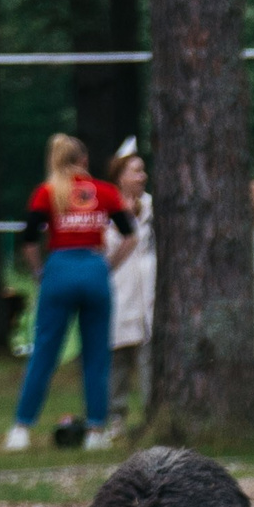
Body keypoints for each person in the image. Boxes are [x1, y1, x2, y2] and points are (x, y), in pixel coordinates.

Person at [4, 135, 137, 452]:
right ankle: (95, 431)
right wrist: (109, 265)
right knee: (96, 356)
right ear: (84, 160)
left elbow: (28, 239)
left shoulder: (47, 192)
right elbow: (130, 235)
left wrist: (39, 271)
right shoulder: (105, 192)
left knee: (45, 353)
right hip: (94, 268)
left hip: (59, 268)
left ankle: (21, 428)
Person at [105, 141, 155, 430]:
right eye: (136, 171)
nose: (142, 176)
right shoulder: (107, 208)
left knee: (148, 354)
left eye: (143, 170)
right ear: (120, 175)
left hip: (147, 286)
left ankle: (151, 412)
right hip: (119, 286)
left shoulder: (151, 206)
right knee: (118, 356)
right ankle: (116, 415)